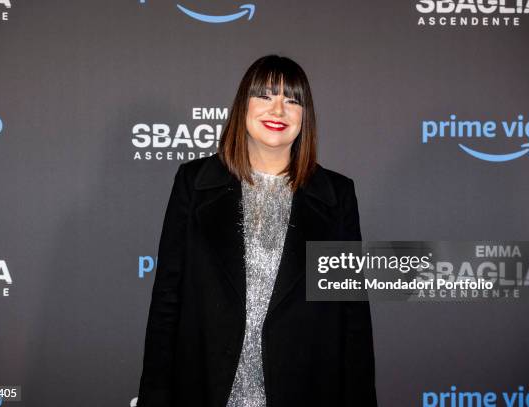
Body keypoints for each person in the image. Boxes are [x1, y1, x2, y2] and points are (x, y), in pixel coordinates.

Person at [137, 55, 376, 407]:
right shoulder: (194, 183)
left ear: (304, 117)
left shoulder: (336, 196)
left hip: (304, 390)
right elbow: (167, 302)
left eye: (292, 100)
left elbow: (352, 317)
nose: (278, 110)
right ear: (242, 106)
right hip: (205, 387)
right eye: (265, 96)